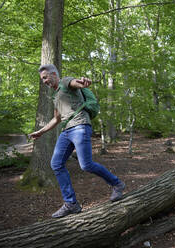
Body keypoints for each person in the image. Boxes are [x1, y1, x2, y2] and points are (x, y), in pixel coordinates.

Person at [29, 64, 125, 218]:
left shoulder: (65, 82)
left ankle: (117, 184)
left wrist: (83, 82)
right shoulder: (55, 96)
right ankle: (71, 203)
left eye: (45, 77)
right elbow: (56, 119)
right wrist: (40, 132)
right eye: (42, 79)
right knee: (56, 164)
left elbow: (76, 82)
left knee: (86, 165)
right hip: (66, 131)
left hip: (80, 126)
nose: (44, 81)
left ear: (54, 74)